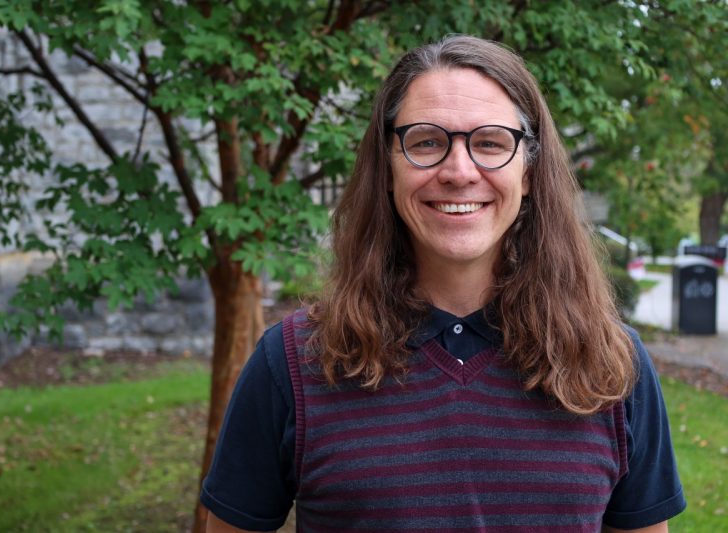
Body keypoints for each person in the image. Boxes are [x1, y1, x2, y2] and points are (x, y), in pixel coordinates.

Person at [201, 35, 686, 532]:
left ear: (529, 172)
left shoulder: (611, 363)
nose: (459, 171)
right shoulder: (293, 362)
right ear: (387, 166)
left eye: (491, 142)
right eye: (427, 141)